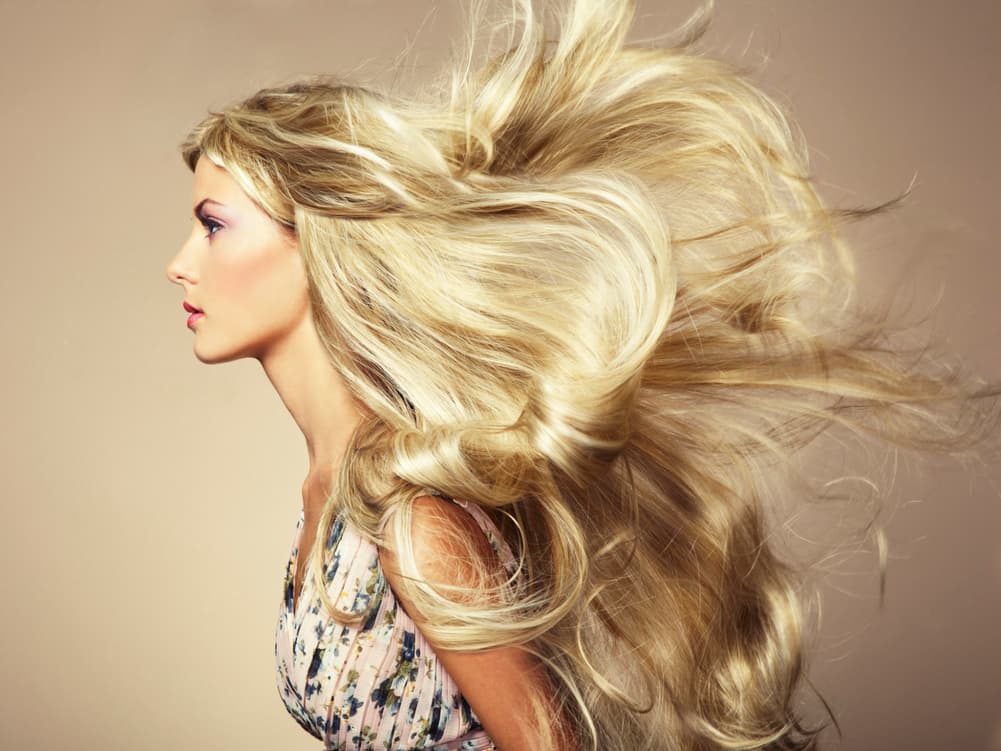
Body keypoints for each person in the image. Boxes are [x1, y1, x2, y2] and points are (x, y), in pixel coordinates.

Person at [165, 1, 998, 749]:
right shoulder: (330, 494)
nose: (180, 263)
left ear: (314, 238)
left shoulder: (412, 520)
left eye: (213, 225)